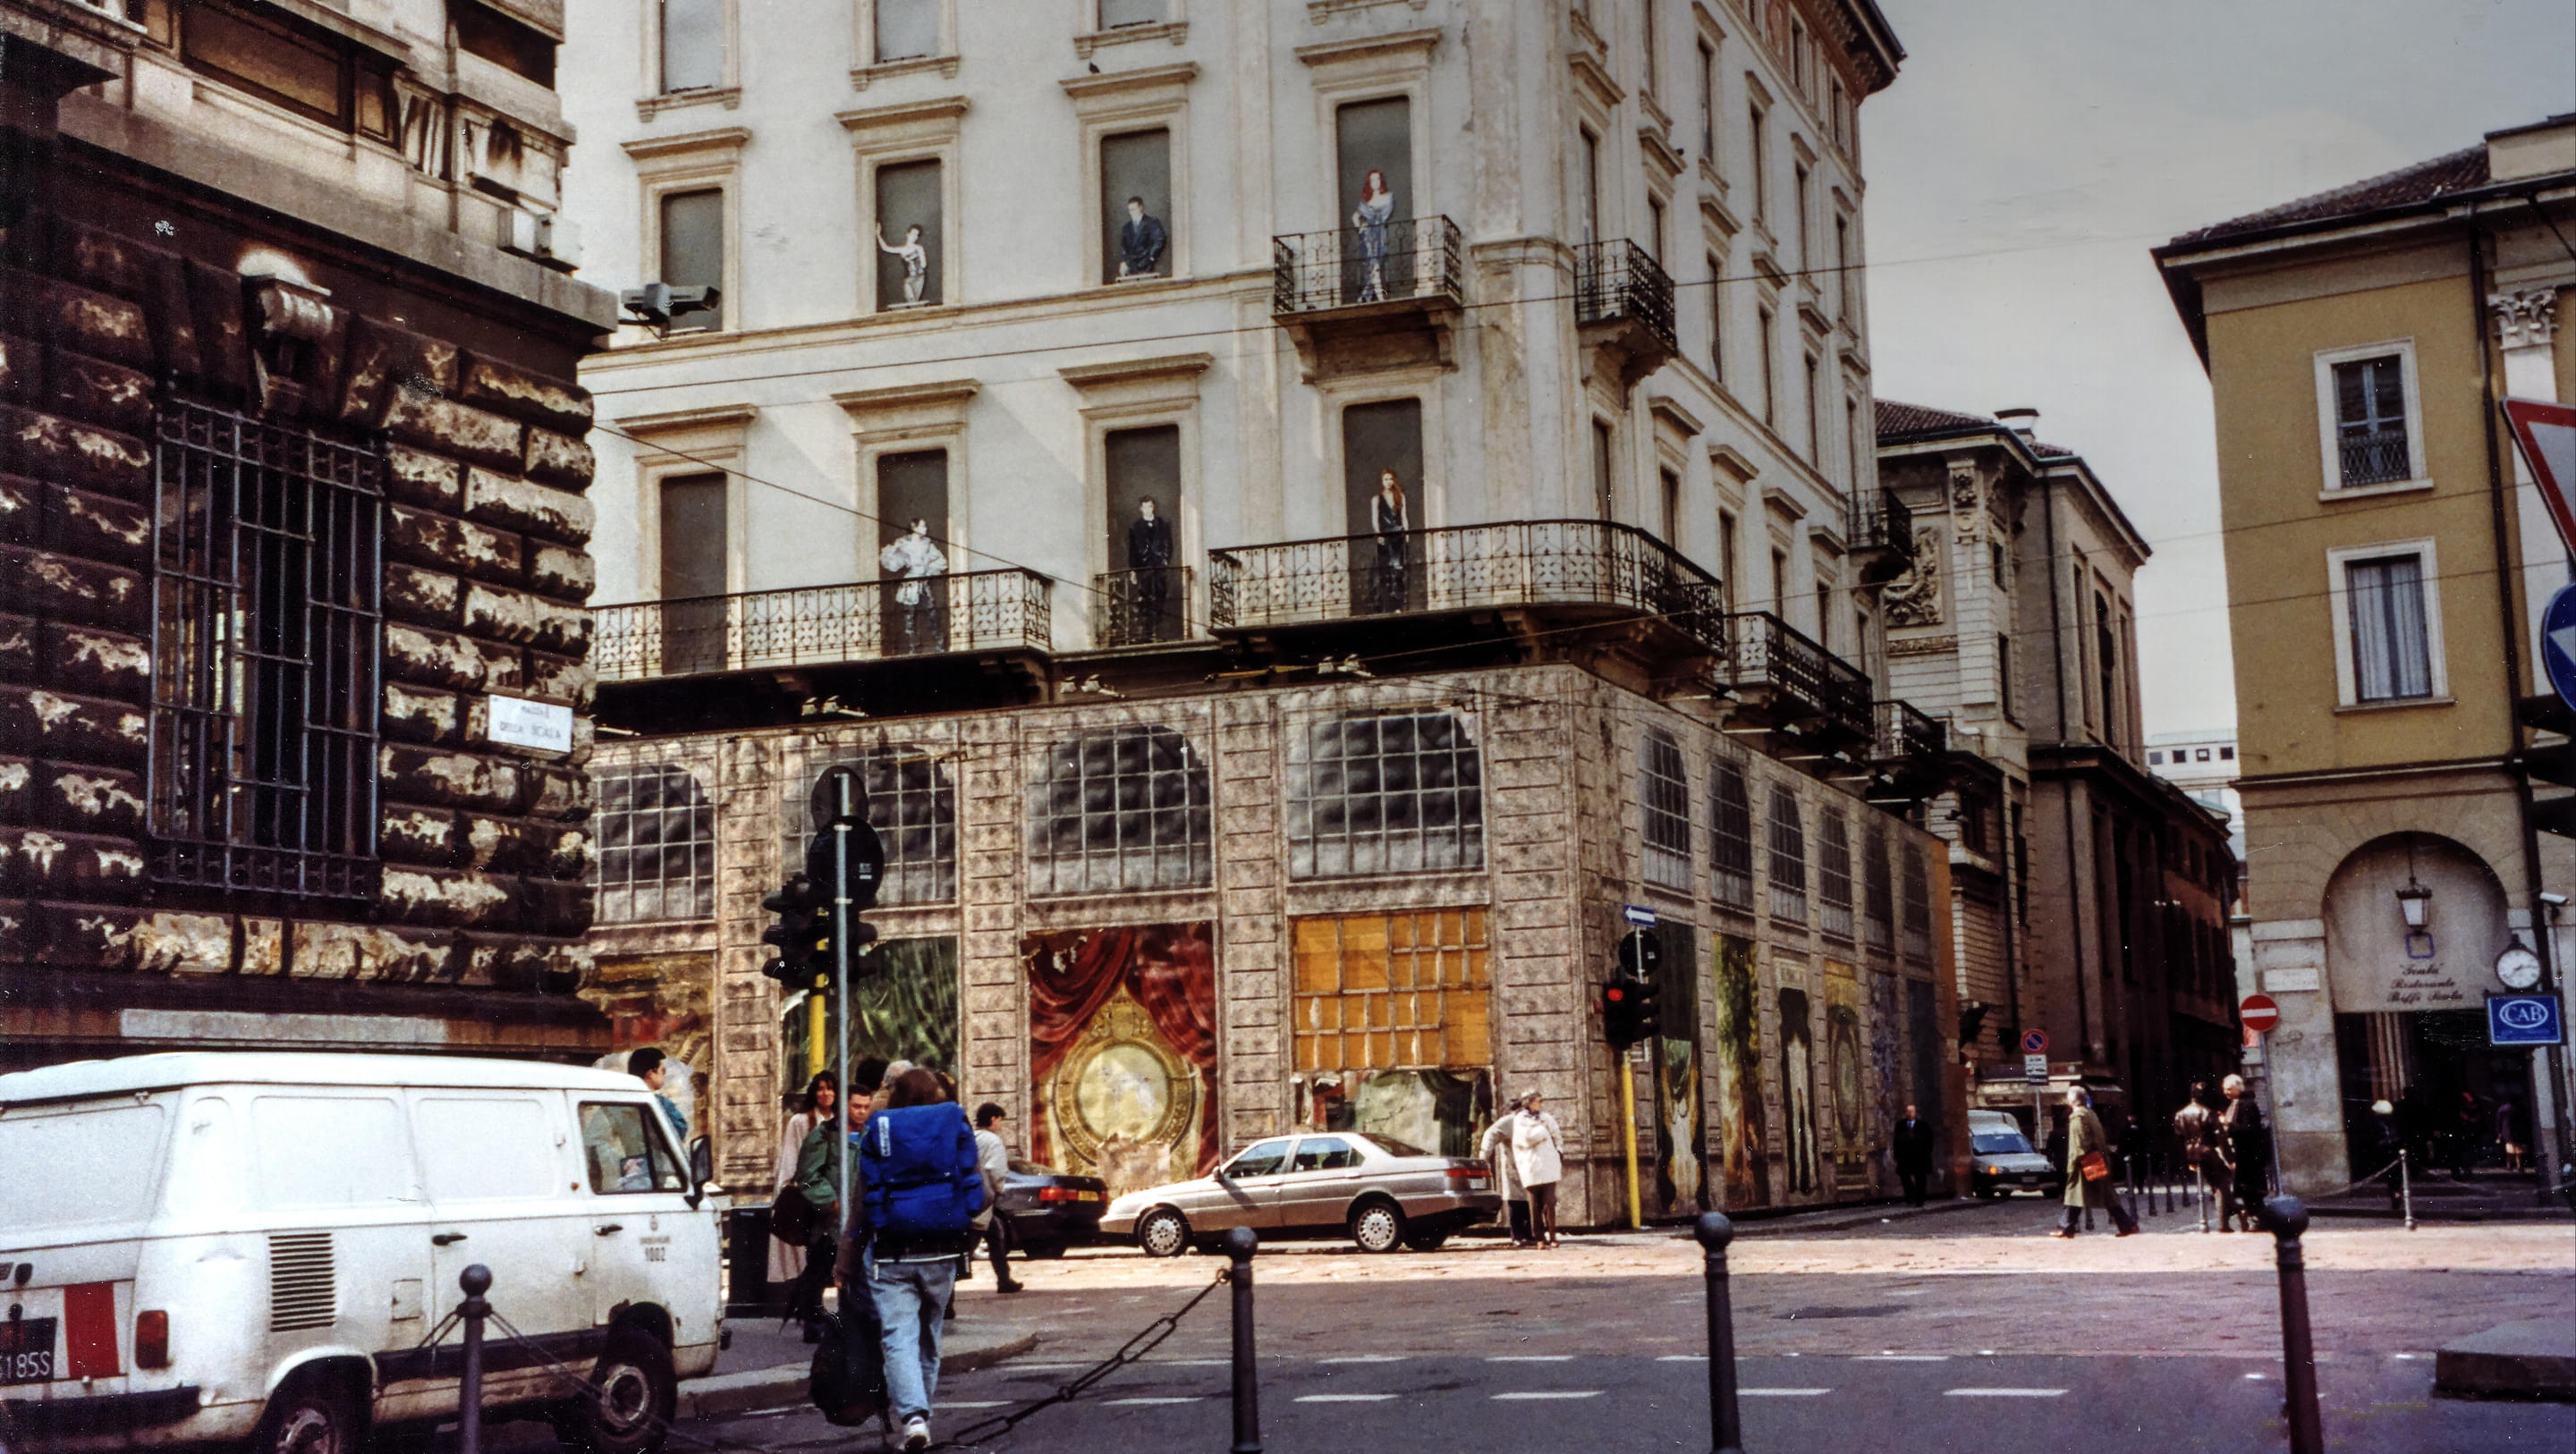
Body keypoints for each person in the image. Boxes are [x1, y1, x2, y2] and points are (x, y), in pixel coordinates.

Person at [836, 1068, 984, 1453]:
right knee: (928, 1339)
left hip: (891, 1254)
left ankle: (913, 1420)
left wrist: (845, 1259)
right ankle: (922, 1418)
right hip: (943, 1252)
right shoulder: (953, 1124)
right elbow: (979, 1191)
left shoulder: (880, 1131)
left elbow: (861, 1206)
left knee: (898, 1338)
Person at [774, 1072, 839, 1336]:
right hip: (814, 1199)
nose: (825, 1094)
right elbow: (794, 1165)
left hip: (835, 1199)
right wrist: (811, 1193)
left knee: (826, 1260)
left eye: (830, 1088)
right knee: (818, 1258)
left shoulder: (841, 1122)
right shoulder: (802, 1122)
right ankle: (810, 1315)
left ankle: (807, 1309)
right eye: (821, 1089)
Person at [2051, 1086, 2138, 1238]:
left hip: (2085, 1163)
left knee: (2074, 1193)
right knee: (2103, 1195)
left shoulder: (2078, 1117)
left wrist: (2073, 1162)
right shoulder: (2091, 1114)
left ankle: (2066, 1227)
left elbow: (2080, 1144)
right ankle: (2126, 1225)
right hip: (2096, 1159)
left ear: (2071, 1100)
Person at [972, 1103, 1024, 1293]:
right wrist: (998, 1188)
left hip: (971, 1195)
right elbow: (995, 1169)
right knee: (972, 1241)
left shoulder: (972, 1137)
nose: (1000, 1125)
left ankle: (1004, 1279)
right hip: (985, 1199)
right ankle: (948, 1296)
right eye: (1000, 1120)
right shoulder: (993, 1141)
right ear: (993, 1119)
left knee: (995, 1236)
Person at [878, 523, 947, 655]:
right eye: (922, 526)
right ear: (915, 528)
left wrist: (928, 568)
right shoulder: (904, 544)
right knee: (909, 616)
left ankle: (939, 642)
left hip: (922, 583)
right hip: (910, 583)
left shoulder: (928, 545)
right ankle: (913, 646)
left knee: (931, 613)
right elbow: (893, 565)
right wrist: (893, 551)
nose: (926, 529)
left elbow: (942, 561)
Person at [1509, 1090, 1565, 1249]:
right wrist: (1542, 1130)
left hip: (1549, 1165)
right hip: (1531, 1166)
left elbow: (1556, 1134)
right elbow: (1526, 1139)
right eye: (1538, 1101)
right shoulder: (1520, 1119)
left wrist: (1559, 1150)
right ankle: (1539, 1237)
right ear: (1529, 1103)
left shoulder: (1546, 1117)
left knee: (1550, 1202)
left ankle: (1553, 1236)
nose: (1541, 1104)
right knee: (1535, 1205)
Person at [2218, 1074, 2269, 1231]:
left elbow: (2248, 1129)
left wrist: (2228, 1124)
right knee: (2247, 1190)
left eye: (2228, 1089)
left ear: (2237, 1088)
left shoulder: (2246, 1105)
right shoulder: (2236, 1103)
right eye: (2224, 1089)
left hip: (2249, 1156)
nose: (2225, 1092)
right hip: (2243, 1155)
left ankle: (2259, 1221)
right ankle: (2256, 1220)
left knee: (2251, 1191)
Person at [1479, 1094, 1530, 1246]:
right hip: (1514, 1166)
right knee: (1517, 1201)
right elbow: (1490, 1135)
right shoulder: (1509, 1122)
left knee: (1531, 1201)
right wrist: (1484, 1155)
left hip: (1531, 1166)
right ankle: (1517, 1235)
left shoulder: (1532, 1121)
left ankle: (1530, 1233)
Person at [2174, 1081, 2226, 1227]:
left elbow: (2179, 1137)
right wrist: (2228, 1157)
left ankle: (2227, 1214)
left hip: (2190, 1151)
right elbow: (2219, 1136)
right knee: (2221, 1182)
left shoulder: (2180, 1114)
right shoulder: (2208, 1112)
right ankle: (2224, 1222)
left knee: (2213, 1181)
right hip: (2207, 1151)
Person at [1126, 497, 1175, 639]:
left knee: (1160, 594)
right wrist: (1133, 569)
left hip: (1159, 566)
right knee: (1145, 597)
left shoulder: (1163, 524)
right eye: (1145, 507)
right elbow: (1132, 550)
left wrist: (1165, 561)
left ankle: (1158, 627)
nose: (1148, 509)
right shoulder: (1135, 527)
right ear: (1141, 509)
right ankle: (1147, 630)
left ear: (1153, 508)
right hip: (1144, 567)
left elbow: (1169, 545)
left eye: (1150, 507)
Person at [1351, 168, 1394, 301]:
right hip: (1369, 235)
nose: (1375, 182)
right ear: (1369, 183)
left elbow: (1385, 213)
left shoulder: (1388, 197)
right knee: (1373, 264)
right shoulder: (1366, 202)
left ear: (1381, 181)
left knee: (1376, 263)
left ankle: (1366, 294)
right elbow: (1355, 217)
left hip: (1380, 233)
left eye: (1377, 179)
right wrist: (1361, 229)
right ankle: (1380, 295)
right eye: (1372, 180)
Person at [1368, 470, 1409, 613]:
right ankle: (1386, 605)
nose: (1389, 482)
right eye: (1386, 479)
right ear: (1382, 482)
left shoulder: (1400, 497)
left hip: (1398, 534)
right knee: (1384, 569)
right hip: (1384, 536)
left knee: (1398, 568)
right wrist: (1378, 534)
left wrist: (1407, 534)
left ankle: (1398, 604)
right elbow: (1375, 518)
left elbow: (1404, 517)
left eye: (1391, 479)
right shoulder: (1377, 499)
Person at [629, 1048, 688, 1140]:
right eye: (663, 1070)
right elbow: (679, 1132)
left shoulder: (619, 1101)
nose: (664, 1075)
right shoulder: (662, 1103)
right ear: (650, 1074)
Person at [1891, 1103, 1935, 1207]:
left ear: (1915, 1113)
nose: (1910, 1113)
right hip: (1905, 1158)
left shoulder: (1923, 1125)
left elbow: (1930, 1140)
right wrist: (1896, 1156)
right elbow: (1896, 1141)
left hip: (1920, 1157)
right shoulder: (1900, 1125)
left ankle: (1920, 1200)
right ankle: (1911, 1196)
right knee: (1904, 1177)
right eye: (1908, 1111)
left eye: (1912, 1111)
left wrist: (1927, 1152)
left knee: (1921, 1179)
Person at [876, 222, 929, 305]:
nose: (914, 237)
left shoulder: (919, 248)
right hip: (909, 279)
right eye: (913, 234)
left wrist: (921, 262)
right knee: (910, 298)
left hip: (919, 278)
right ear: (908, 234)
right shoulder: (902, 250)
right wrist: (878, 235)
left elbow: (923, 264)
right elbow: (885, 248)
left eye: (916, 235)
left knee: (915, 302)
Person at [1117, 195, 1167, 280]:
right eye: (1130, 210)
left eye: (1134, 209)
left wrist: (1151, 257)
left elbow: (1160, 240)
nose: (1132, 213)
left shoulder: (1151, 222)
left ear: (1141, 208)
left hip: (1146, 264)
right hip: (1131, 266)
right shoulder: (1126, 228)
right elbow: (1124, 248)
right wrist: (1124, 262)